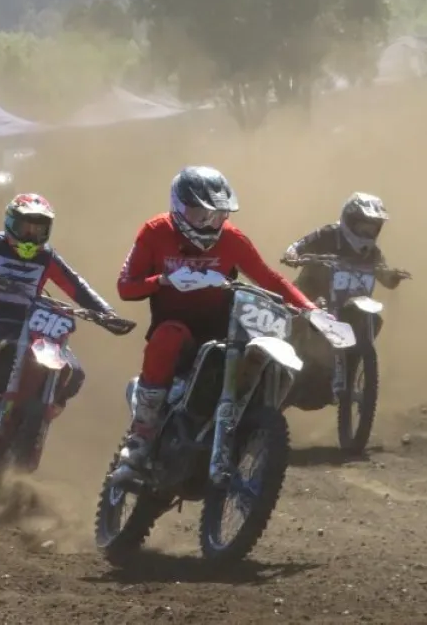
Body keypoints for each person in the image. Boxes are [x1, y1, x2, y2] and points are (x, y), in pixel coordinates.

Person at [111, 166, 318, 483]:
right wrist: (164, 279)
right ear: (178, 208)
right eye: (200, 215)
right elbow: (126, 287)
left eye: (218, 216)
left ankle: (251, 429)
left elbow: (269, 278)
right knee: (168, 336)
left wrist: (312, 310)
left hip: (225, 328)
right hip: (176, 326)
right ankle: (141, 437)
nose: (209, 224)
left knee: (261, 355)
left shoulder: (232, 238)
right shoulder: (155, 232)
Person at [0, 192, 116, 441]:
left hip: (32, 324)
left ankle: (40, 413)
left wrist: (106, 313)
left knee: (74, 371)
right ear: (11, 223)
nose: (31, 235)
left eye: (38, 229)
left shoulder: (47, 256)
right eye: (25, 227)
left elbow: (77, 286)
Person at [281, 192, 406, 302]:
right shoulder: (328, 234)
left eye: (373, 229)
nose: (368, 232)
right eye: (364, 227)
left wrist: (393, 276)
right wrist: (292, 256)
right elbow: (297, 246)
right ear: (350, 220)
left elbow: (386, 279)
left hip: (350, 309)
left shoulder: (372, 252)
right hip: (310, 300)